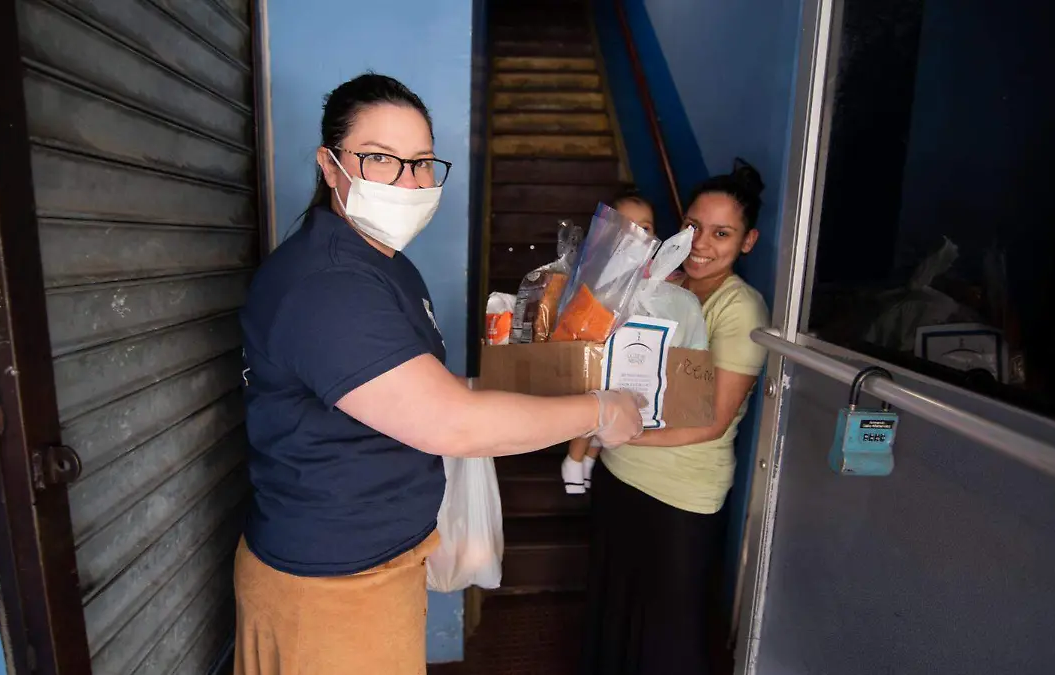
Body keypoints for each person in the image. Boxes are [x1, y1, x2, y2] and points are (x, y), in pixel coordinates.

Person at [233, 73, 644, 675]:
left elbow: (410, 392)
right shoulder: (328, 287)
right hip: (329, 586)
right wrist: (601, 411)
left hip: (375, 565)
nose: (410, 182)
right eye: (381, 159)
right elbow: (447, 424)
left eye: (423, 163)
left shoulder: (384, 264)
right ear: (330, 165)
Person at [581, 159, 771, 675]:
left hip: (680, 494)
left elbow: (710, 422)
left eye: (722, 233)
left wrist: (604, 427)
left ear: (747, 242)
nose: (702, 244)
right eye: (692, 227)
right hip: (619, 474)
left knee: (666, 636)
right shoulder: (659, 285)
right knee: (615, 611)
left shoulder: (740, 310)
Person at [561, 186, 656, 494]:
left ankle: (590, 457)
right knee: (594, 405)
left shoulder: (655, 270)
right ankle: (574, 459)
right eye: (627, 227)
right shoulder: (599, 264)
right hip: (597, 347)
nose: (637, 236)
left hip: (628, 354)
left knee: (619, 405)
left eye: (645, 228)